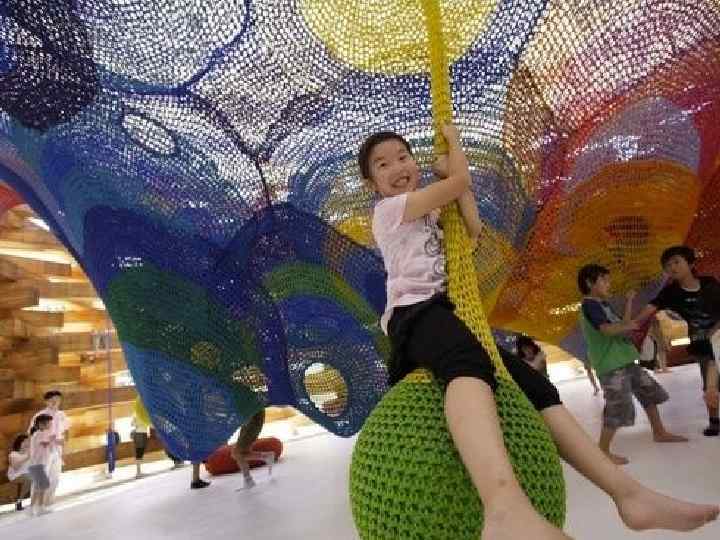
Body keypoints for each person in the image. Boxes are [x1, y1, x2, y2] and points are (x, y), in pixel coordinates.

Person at [362, 126, 718, 538]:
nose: (397, 167)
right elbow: (459, 182)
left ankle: (628, 494)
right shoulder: (389, 211)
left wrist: (453, 177)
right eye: (383, 165)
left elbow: (472, 225)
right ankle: (502, 506)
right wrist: (454, 150)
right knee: (467, 364)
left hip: (450, 314)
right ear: (372, 184)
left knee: (533, 387)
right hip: (414, 313)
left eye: (403, 157)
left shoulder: (433, 214)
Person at [577, 264, 687, 465]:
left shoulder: (603, 305)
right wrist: (628, 325)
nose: (608, 284)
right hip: (611, 364)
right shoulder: (590, 305)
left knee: (648, 392)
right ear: (589, 283)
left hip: (625, 360)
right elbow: (606, 330)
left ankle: (659, 432)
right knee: (617, 407)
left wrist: (629, 302)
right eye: (604, 280)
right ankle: (602, 451)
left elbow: (622, 324)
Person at [633, 246, 720, 435]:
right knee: (709, 384)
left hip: (718, 336)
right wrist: (632, 323)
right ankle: (714, 421)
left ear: (690, 263)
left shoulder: (709, 283)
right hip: (702, 344)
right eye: (667, 265)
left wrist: (715, 330)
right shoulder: (671, 292)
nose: (672, 267)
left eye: (676, 262)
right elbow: (650, 308)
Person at [27, 390, 69, 507]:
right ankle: (36, 506)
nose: (55, 402)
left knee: (54, 478)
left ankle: (48, 504)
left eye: (58, 400)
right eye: (52, 400)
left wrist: (64, 442)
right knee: (40, 478)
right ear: (46, 401)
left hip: (57, 450)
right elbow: (32, 433)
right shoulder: (39, 415)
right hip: (42, 452)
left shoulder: (62, 415)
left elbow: (66, 431)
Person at [231, 409, 274, 490]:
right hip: (250, 421)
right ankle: (266, 456)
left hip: (252, 421)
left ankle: (249, 480)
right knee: (239, 453)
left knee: (237, 453)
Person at [27, 414, 53, 516]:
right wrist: (52, 439)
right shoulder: (39, 434)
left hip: (37, 464)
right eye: (49, 423)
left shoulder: (38, 434)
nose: (50, 425)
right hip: (38, 465)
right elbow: (45, 443)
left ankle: (32, 508)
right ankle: (39, 508)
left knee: (39, 487)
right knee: (43, 486)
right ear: (42, 424)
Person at [7, 434, 31, 511]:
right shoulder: (13, 454)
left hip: (27, 475)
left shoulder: (28, 453)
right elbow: (16, 467)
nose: (27, 443)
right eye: (25, 442)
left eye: (28, 441)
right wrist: (27, 456)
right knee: (29, 478)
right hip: (15, 476)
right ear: (20, 443)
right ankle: (19, 500)